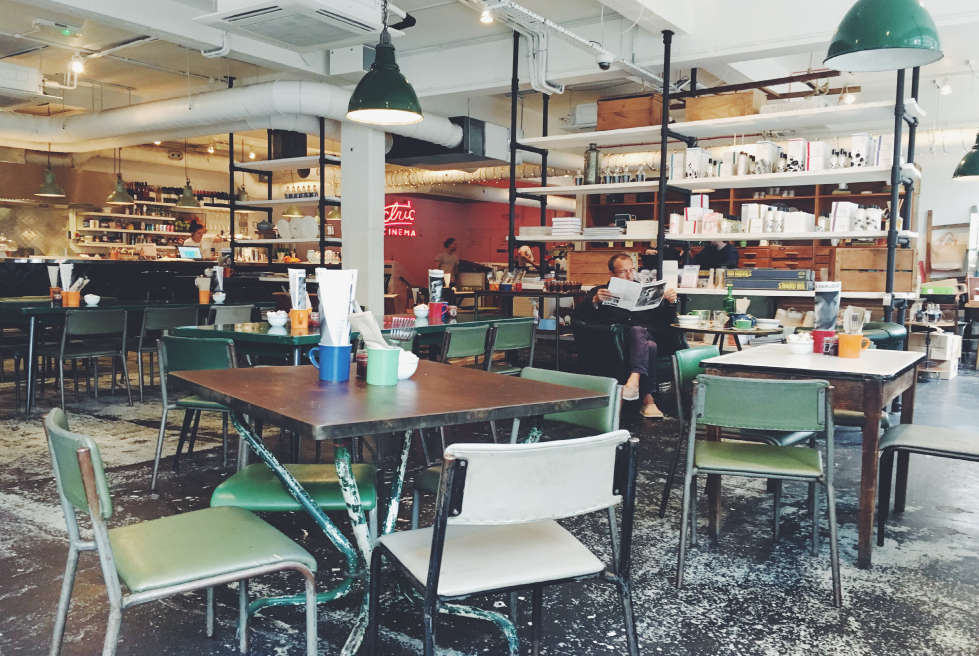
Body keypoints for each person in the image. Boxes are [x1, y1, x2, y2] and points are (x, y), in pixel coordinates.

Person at [572, 253, 678, 419]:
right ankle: (647, 400)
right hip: (616, 341)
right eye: (623, 272)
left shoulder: (644, 291)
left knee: (638, 331)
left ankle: (633, 382)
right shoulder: (599, 292)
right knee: (650, 347)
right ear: (612, 273)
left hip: (644, 334)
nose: (629, 275)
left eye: (632, 270)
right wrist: (595, 301)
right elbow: (578, 316)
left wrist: (671, 303)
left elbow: (664, 320)